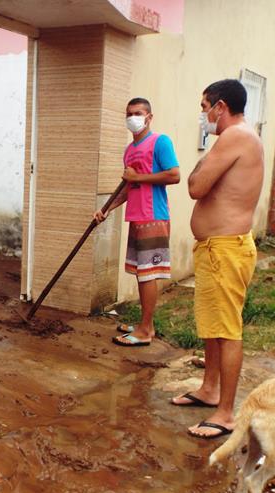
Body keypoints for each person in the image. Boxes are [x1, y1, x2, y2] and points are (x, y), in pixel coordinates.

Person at [171, 79, 264, 439]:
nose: (202, 114)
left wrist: (202, 164)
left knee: (226, 330)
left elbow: (195, 185)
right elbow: (201, 180)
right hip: (217, 248)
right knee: (213, 325)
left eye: (204, 105)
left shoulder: (235, 137)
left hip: (225, 248)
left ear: (220, 106)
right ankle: (209, 390)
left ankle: (226, 414)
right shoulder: (236, 139)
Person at [94, 97, 180, 347]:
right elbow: (129, 186)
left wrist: (138, 176)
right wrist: (107, 209)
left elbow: (174, 175)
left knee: (147, 275)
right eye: (129, 113)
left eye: (138, 113)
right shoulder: (129, 150)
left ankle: (145, 331)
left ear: (149, 117)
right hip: (137, 215)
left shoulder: (160, 142)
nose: (133, 117)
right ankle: (146, 324)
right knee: (141, 273)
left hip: (154, 216)